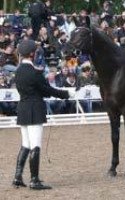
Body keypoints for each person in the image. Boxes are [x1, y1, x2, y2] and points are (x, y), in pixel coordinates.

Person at [12, 39, 74, 190]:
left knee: (26, 144)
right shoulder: (35, 73)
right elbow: (48, 91)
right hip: (34, 109)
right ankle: (34, 180)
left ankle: (18, 176)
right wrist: (66, 94)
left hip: (23, 109)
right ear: (32, 54)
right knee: (35, 146)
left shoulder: (18, 71)